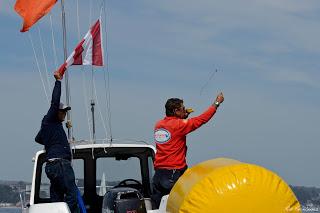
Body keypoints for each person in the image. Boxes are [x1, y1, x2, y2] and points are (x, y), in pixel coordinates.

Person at [151, 92, 224, 208]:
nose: (185, 110)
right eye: (182, 109)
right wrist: (216, 103)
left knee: (157, 209)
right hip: (173, 175)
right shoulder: (180, 125)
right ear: (175, 111)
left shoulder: (158, 125)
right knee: (180, 207)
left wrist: (182, 117)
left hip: (158, 176)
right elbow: (202, 119)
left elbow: (172, 132)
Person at [35, 71, 79, 213]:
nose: (64, 114)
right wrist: (58, 82)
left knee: (57, 198)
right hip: (60, 165)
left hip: (51, 166)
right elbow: (55, 102)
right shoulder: (51, 119)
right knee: (72, 194)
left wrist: (58, 138)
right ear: (56, 112)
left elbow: (38, 138)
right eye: (63, 112)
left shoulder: (49, 126)